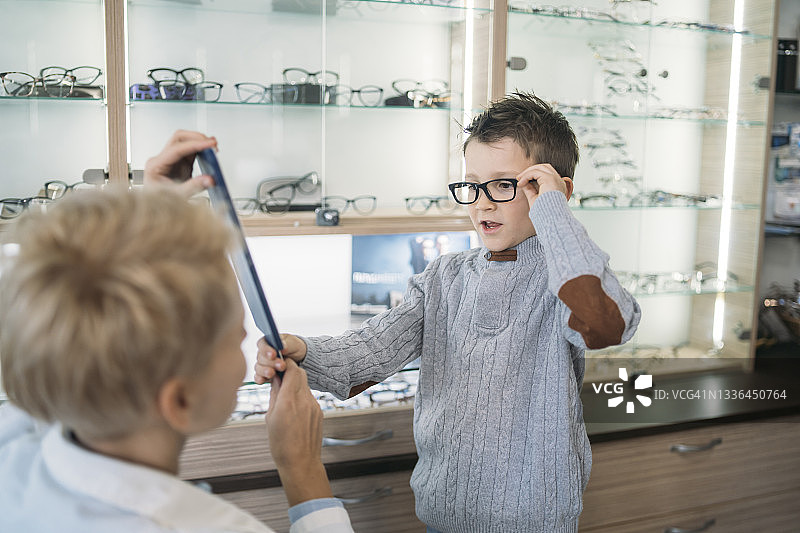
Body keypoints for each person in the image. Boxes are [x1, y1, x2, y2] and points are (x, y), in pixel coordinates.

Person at [255, 92, 642, 532]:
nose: (481, 203)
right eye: (472, 185)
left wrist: (554, 214)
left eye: (503, 185)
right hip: (443, 517)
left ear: (554, 191)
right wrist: (300, 349)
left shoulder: (564, 281)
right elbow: (369, 351)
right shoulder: (444, 276)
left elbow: (608, 323)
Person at [0, 132, 354, 532]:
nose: (249, 346)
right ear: (180, 400)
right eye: (237, 337)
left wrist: (148, 222)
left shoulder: (12, 450)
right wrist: (303, 470)